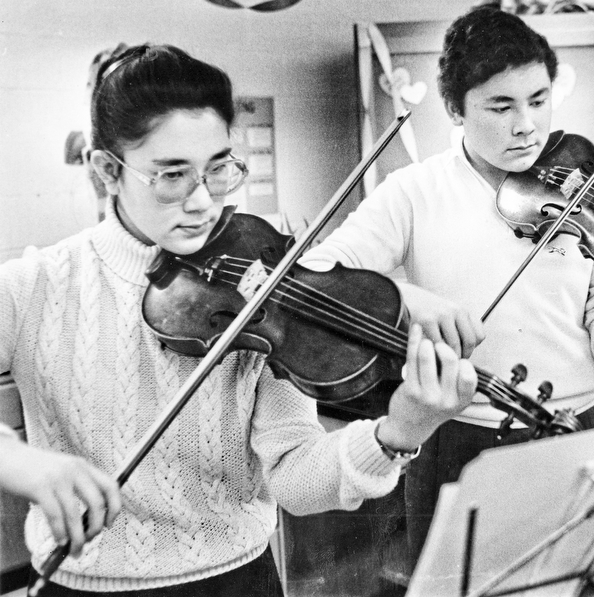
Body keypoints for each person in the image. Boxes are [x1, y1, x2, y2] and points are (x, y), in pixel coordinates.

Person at [0, 43, 478, 596]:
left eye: (219, 168)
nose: (204, 201)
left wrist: (398, 432)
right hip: (82, 586)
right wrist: (25, 466)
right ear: (107, 170)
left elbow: (295, 477)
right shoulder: (35, 285)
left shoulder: (264, 282)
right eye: (172, 175)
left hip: (238, 581)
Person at [299, 5, 594, 562]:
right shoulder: (412, 193)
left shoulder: (588, 193)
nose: (525, 124)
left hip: (577, 434)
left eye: (538, 100)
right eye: (500, 107)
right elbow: (312, 278)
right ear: (455, 108)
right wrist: (409, 297)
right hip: (456, 442)